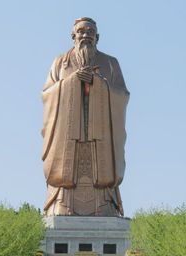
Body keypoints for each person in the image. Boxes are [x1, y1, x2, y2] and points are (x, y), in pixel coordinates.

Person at [41, 17, 129, 216]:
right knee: (67, 174)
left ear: (97, 37)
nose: (86, 35)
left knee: (102, 175)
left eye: (90, 32)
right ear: (73, 36)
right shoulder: (60, 62)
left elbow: (122, 95)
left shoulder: (110, 63)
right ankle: (62, 204)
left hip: (101, 136)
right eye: (81, 31)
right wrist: (72, 82)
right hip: (69, 133)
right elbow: (47, 95)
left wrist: (98, 84)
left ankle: (105, 205)